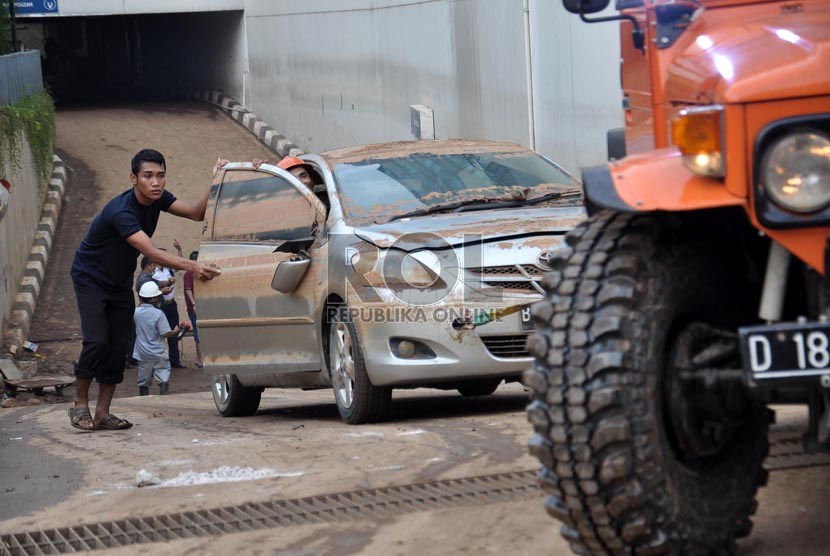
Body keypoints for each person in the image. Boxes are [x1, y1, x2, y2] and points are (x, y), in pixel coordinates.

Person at [68, 148, 221, 431]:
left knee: (116, 346)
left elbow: (197, 213)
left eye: (160, 176)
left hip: (119, 282)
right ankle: (79, 404)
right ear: (133, 178)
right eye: (148, 176)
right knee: (97, 340)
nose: (156, 182)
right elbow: (151, 252)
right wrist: (192, 266)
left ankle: (102, 414)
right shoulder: (121, 211)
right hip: (90, 278)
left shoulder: (159, 199)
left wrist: (216, 180)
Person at [133, 282, 181, 396]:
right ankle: (164, 399)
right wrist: (176, 331)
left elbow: (139, 307)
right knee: (163, 377)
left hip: (143, 352)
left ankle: (143, 401)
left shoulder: (136, 313)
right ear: (154, 298)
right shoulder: (158, 314)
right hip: (158, 352)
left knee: (143, 380)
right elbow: (166, 333)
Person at [152, 242, 183, 368]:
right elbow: (152, 290)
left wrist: (179, 249)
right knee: (160, 333)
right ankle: (160, 361)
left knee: (174, 330)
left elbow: (179, 263)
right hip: (160, 305)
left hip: (171, 304)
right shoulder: (153, 273)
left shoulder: (168, 269)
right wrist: (162, 290)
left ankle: (174, 360)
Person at [126, 256, 159, 368]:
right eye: (153, 265)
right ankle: (131, 358)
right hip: (145, 310)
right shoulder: (144, 279)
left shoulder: (147, 278)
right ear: (147, 266)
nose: (155, 268)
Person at [183, 250, 203, 368]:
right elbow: (188, 289)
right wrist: (194, 304)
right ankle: (199, 359)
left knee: (201, 332)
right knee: (198, 333)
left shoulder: (197, 272)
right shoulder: (189, 273)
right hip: (195, 308)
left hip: (201, 306)